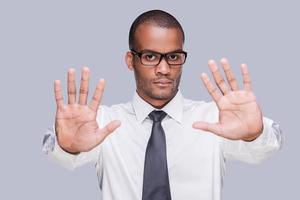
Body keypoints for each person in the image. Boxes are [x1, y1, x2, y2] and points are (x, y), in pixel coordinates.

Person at [43, 9, 282, 200]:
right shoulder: (102, 124)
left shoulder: (215, 120)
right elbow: (63, 157)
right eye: (150, 56)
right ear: (130, 60)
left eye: (174, 57)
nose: (164, 69)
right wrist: (68, 148)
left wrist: (255, 133)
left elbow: (264, 150)